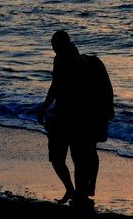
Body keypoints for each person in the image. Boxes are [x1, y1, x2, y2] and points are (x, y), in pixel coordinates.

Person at [35, 30, 114, 207]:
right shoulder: (64, 60)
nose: (55, 50)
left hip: (78, 118)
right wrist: (44, 108)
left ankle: (81, 193)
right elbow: (55, 87)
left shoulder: (83, 63)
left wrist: (44, 109)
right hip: (69, 116)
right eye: (54, 47)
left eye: (56, 47)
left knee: (78, 157)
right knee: (70, 156)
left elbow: (57, 89)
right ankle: (77, 190)